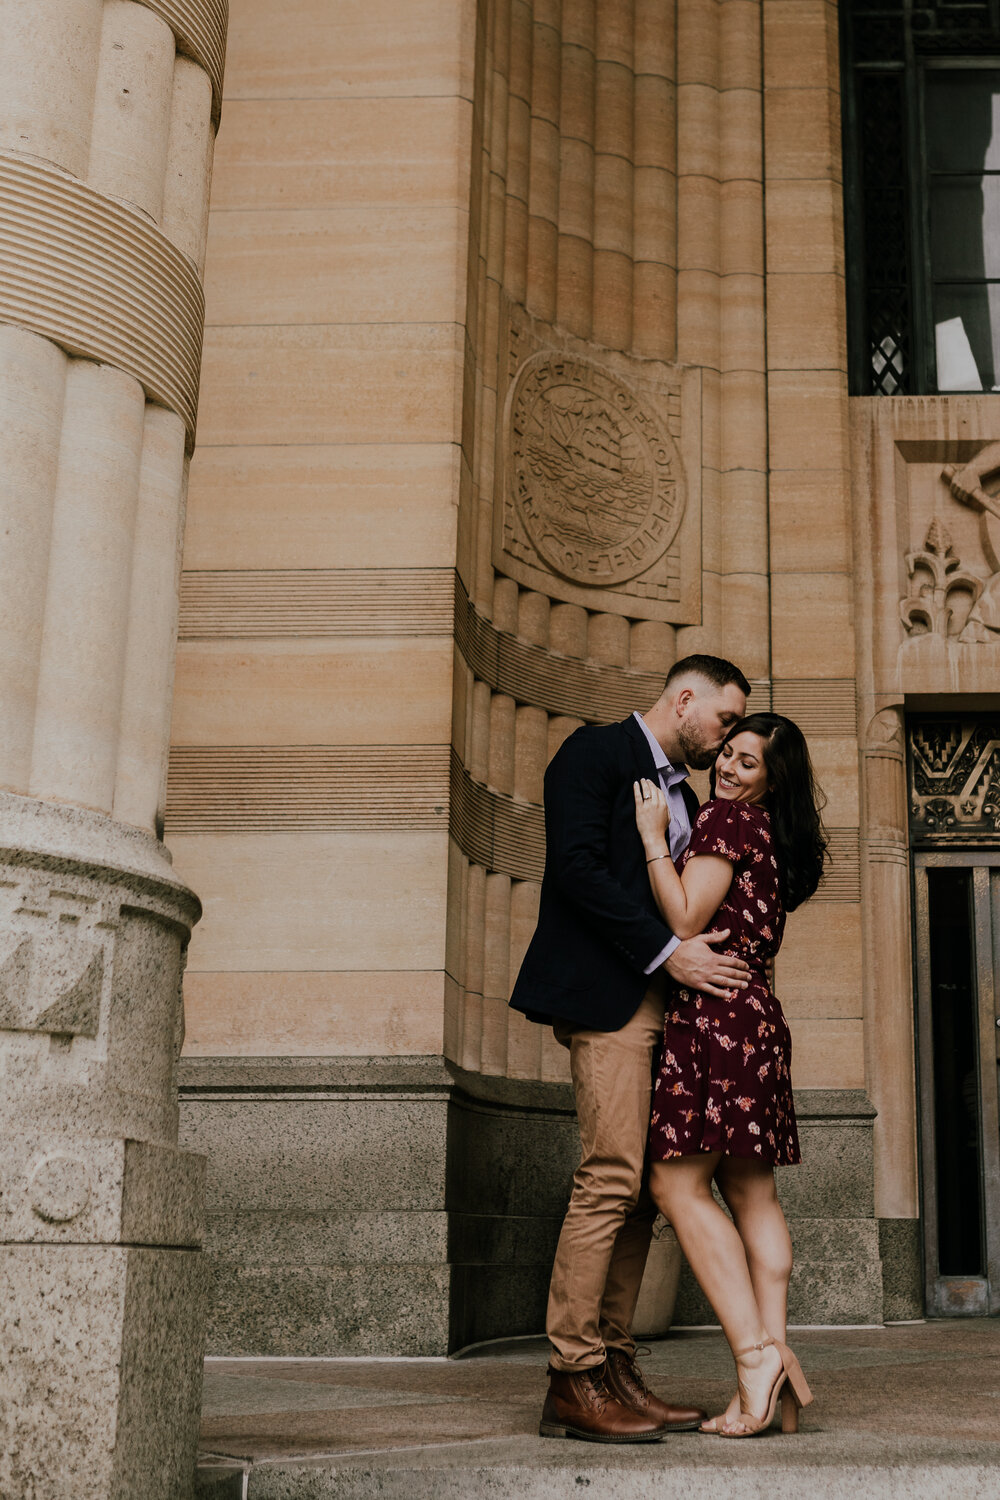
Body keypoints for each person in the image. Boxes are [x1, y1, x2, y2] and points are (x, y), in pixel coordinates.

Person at [509, 655, 753, 1443]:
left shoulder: (686, 796)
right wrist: (667, 953)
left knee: (646, 1192)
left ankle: (614, 1367)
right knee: (610, 1175)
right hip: (612, 995)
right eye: (722, 721)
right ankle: (571, 1377)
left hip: (664, 1006)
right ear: (685, 699)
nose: (725, 741)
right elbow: (576, 871)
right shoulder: (594, 753)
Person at [633, 712, 827, 1437]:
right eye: (729, 755)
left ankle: (754, 1360)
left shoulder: (725, 822)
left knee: (676, 1183)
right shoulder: (781, 841)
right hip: (760, 1018)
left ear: (771, 779)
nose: (730, 769)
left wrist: (655, 841)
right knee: (750, 1189)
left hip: (716, 1015)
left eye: (750, 763)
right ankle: (775, 1364)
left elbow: (685, 916)